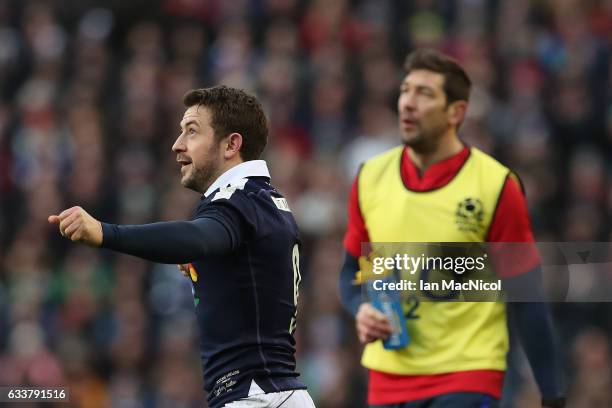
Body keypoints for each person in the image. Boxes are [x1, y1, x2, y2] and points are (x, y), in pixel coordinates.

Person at [49, 86, 316, 408]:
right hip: (273, 393)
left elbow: (199, 237)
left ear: (232, 144)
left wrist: (105, 233)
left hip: (255, 396)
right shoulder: (264, 201)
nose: (177, 145)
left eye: (192, 131)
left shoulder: (235, 200)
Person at [338, 49, 565, 408]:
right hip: (387, 380)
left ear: (456, 112)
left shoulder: (495, 185)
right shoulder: (370, 178)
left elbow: (528, 296)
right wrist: (361, 308)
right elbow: (354, 271)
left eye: (425, 93)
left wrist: (551, 392)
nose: (408, 103)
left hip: (466, 374)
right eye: (405, 91)